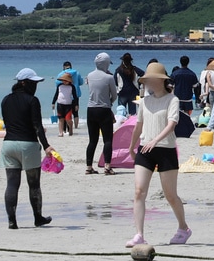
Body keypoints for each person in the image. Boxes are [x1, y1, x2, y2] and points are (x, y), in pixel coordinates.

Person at [126, 62, 192, 247]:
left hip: (166, 150)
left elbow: (172, 124)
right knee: (139, 191)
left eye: (150, 80)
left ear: (160, 80)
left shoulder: (172, 100)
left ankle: (183, 228)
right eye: (145, 80)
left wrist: (156, 140)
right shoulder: (144, 101)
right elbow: (138, 125)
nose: (147, 83)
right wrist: (131, 147)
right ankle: (139, 234)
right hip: (145, 150)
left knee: (170, 194)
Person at [0, 69, 55, 230]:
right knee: (34, 184)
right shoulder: (32, 100)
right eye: (33, 83)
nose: (35, 86)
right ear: (24, 83)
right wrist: (46, 146)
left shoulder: (5, 100)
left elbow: (9, 123)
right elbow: (37, 126)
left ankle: (12, 221)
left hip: (8, 145)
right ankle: (38, 218)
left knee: (12, 184)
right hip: (28, 145)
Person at [84, 53, 118, 175]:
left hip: (91, 109)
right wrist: (109, 102)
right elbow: (114, 95)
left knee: (92, 140)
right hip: (104, 109)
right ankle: (107, 167)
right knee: (107, 140)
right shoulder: (109, 77)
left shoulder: (89, 75)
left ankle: (88, 167)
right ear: (106, 63)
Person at [169, 56, 199, 139]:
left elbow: (170, 85)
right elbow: (195, 86)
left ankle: (176, 130)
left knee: (176, 115)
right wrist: (197, 98)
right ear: (188, 62)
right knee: (187, 116)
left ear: (180, 62)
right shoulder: (192, 74)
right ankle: (186, 131)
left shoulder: (175, 73)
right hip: (188, 97)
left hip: (177, 98)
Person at [57, 61, 84, 131]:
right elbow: (81, 82)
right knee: (75, 112)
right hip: (76, 94)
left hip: (65, 95)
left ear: (63, 67)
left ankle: (65, 129)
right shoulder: (77, 73)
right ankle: (76, 127)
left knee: (65, 112)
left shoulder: (61, 74)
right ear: (71, 66)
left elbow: (57, 84)